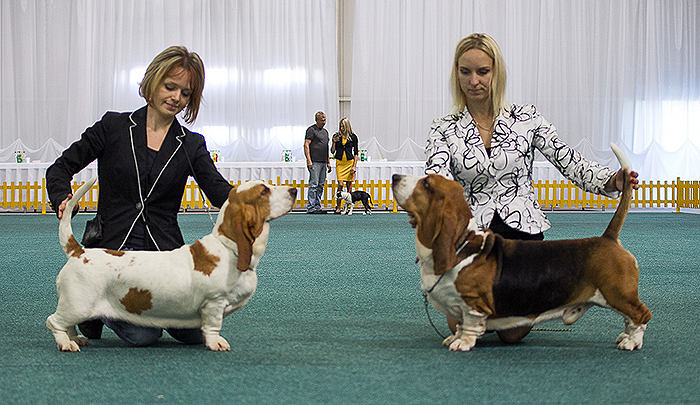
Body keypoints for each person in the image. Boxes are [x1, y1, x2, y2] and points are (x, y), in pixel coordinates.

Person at [425, 33, 639, 344]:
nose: (474, 81)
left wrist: (611, 181)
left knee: (513, 334)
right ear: (455, 73)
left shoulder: (526, 118)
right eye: (465, 71)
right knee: (457, 320)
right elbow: (437, 184)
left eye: (483, 71)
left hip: (521, 236)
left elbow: (568, 159)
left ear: (497, 72)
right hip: (472, 237)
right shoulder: (443, 127)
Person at [46, 45, 233, 347]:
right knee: (143, 336)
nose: (176, 98)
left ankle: (104, 306)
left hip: (165, 256)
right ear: (152, 82)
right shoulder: (113, 126)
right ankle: (96, 305)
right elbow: (60, 167)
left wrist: (253, 198)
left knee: (194, 334)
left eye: (185, 93)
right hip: (113, 252)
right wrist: (62, 196)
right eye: (170, 87)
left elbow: (218, 191)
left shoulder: (192, 144)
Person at [304, 111, 331, 214]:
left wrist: (328, 162)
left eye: (325, 120)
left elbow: (326, 147)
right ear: (317, 120)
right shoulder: (311, 130)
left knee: (320, 185)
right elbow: (306, 145)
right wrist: (309, 160)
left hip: (323, 161)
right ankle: (311, 207)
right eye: (322, 120)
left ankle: (317, 206)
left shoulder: (325, 132)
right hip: (314, 161)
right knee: (314, 185)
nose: (324, 122)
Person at [331, 117, 359, 214]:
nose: (342, 128)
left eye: (343, 126)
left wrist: (354, 166)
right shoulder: (336, 136)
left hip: (349, 162)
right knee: (340, 184)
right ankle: (338, 206)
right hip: (340, 163)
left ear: (347, 127)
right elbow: (332, 151)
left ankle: (348, 207)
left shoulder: (353, 137)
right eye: (340, 126)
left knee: (348, 186)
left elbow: (356, 153)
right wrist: (334, 142)